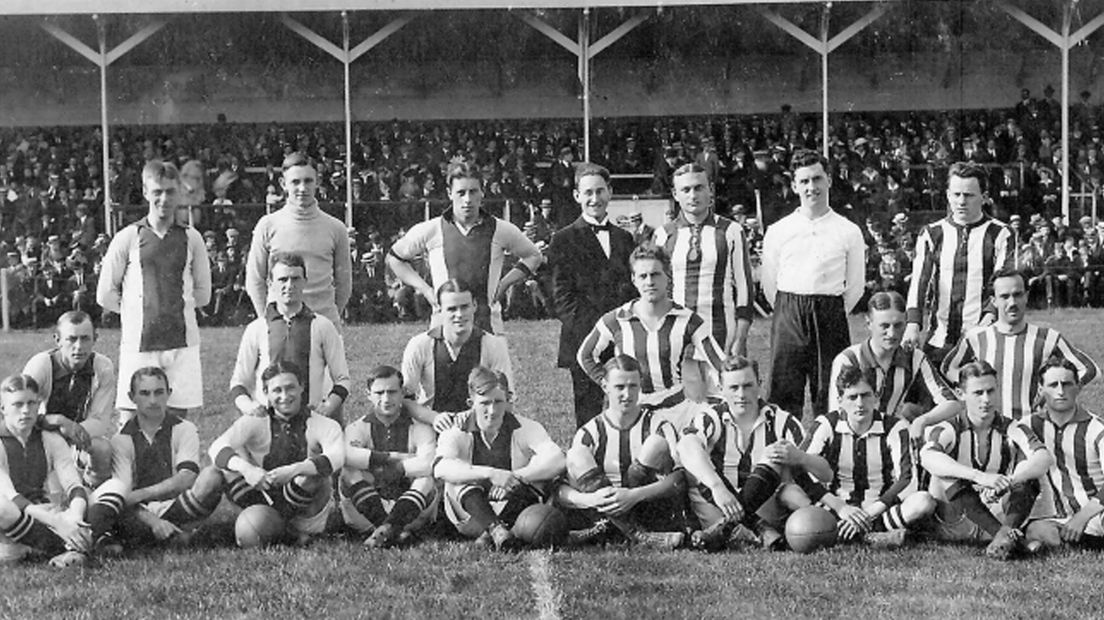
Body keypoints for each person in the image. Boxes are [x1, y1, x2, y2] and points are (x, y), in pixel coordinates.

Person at [677, 356, 831, 550]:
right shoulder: (710, 418)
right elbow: (685, 446)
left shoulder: (782, 421)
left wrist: (801, 457)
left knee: (774, 455)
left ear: (759, 385)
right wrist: (717, 487)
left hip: (764, 508)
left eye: (748, 386)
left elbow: (825, 473)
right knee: (693, 447)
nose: (741, 394)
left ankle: (727, 529)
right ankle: (759, 529)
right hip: (718, 504)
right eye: (733, 388)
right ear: (720, 388)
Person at [96, 160, 211, 418]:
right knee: (130, 422)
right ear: (146, 192)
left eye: (170, 191)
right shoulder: (128, 236)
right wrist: (137, 311)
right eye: (157, 191)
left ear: (180, 193)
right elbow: (105, 293)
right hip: (139, 343)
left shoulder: (192, 237)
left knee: (177, 423)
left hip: (182, 343)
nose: (164, 198)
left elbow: (203, 294)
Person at [761, 149, 866, 419]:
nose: (812, 187)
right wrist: (790, 309)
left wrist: (829, 309)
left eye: (817, 179)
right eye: (805, 181)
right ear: (794, 185)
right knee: (783, 391)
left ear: (829, 180)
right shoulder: (779, 230)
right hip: (788, 312)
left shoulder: (848, 230)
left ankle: (828, 452)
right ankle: (783, 453)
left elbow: (855, 286)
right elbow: (770, 283)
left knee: (831, 390)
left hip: (830, 313)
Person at [386, 161, 543, 334]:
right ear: (449, 193)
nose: (467, 199)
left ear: (482, 192)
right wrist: (425, 289)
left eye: (473, 192)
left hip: (489, 328)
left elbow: (534, 256)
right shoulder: (433, 229)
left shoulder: (500, 229)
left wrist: (504, 283)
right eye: (461, 192)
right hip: (443, 329)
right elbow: (395, 258)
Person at [577, 244, 725, 426]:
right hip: (632, 412)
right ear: (634, 280)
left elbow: (720, 363)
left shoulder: (688, 320)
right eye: (643, 276)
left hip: (676, 412)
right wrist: (610, 384)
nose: (649, 282)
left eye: (655, 274)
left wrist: (723, 397)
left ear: (667, 276)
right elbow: (585, 355)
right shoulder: (617, 319)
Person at [920, 361, 1053, 559]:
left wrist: (1010, 481)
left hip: (992, 511)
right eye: (978, 393)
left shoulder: (1011, 427)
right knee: (944, 473)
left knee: (1028, 470)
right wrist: (979, 477)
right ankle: (1010, 538)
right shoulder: (949, 428)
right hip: (955, 520)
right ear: (960, 394)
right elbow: (927, 457)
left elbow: (1043, 457)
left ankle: (1002, 536)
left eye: (991, 391)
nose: (986, 400)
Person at [85, 368, 225, 552]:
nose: (153, 400)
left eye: (159, 392)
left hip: (176, 505)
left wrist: (143, 494)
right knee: (119, 507)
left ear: (169, 394)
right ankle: (178, 536)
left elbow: (187, 477)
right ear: (132, 397)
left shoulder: (184, 428)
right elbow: (124, 495)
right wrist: (154, 521)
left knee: (212, 476)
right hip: (141, 514)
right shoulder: (121, 439)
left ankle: (172, 534)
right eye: (144, 393)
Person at [556, 355, 687, 549]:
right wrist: (590, 499)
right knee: (577, 455)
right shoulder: (589, 432)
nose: (627, 394)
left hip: (646, 506)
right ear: (604, 386)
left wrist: (635, 495)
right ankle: (636, 534)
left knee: (655, 444)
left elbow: (679, 480)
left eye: (633, 386)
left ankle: (618, 530)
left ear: (640, 385)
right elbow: (561, 491)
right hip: (602, 510)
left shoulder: (658, 424)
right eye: (619, 387)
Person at [209, 361, 345, 544]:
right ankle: (274, 528)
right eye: (277, 391)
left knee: (311, 474)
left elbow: (336, 458)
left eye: (290, 388)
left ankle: (285, 529)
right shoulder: (255, 420)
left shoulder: (324, 424)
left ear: (302, 387)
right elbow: (216, 447)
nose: (285, 396)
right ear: (265, 393)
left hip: (304, 512)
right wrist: (246, 469)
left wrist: (294, 470)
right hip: (263, 499)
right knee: (222, 468)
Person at [940, 269, 1099, 421]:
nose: (1012, 302)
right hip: (987, 427)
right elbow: (948, 368)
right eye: (1005, 297)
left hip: (1032, 427)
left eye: (1017, 295)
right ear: (993, 301)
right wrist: (972, 390)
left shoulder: (1048, 337)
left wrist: (1054, 391)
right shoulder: (976, 337)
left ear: (1026, 296)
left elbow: (1088, 369)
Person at [803, 367, 937, 548]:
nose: (860, 403)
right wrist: (839, 507)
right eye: (852, 397)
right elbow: (802, 469)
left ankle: (851, 534)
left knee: (923, 501)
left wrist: (869, 513)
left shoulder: (895, 427)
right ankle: (874, 537)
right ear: (840, 401)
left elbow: (907, 479)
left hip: (880, 508)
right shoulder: (827, 424)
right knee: (794, 497)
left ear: (876, 397)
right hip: (837, 509)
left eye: (865, 395)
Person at [434, 367, 565, 550]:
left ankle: (494, 535)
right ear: (470, 402)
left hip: (514, 512)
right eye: (485, 403)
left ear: (508, 400)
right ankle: (494, 529)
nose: (492, 410)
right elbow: (441, 468)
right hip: (470, 516)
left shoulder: (526, 427)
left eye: (498, 402)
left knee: (538, 473)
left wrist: (515, 477)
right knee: (457, 477)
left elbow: (557, 458)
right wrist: (490, 474)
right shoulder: (456, 428)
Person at [548, 163, 636, 427]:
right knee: (588, 413)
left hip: (623, 338)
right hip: (584, 338)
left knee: (626, 405)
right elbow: (561, 298)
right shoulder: (562, 239)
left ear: (609, 192)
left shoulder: (624, 238)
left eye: (600, 191)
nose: (594, 199)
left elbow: (631, 290)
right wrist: (597, 333)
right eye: (588, 193)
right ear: (577, 196)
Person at [903, 162, 1015, 364]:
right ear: (947, 195)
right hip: (939, 342)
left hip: (985, 340)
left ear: (984, 196)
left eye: (969, 195)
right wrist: (913, 323)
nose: (961, 201)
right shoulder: (931, 233)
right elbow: (919, 283)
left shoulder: (1001, 234)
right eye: (956, 195)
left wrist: (989, 318)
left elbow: (1004, 285)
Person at [229, 253, 350, 422]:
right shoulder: (256, 328)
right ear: (270, 284)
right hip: (267, 423)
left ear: (305, 281)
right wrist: (250, 408)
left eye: (295, 279)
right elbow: (238, 381)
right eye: (283, 279)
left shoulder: (322, 326)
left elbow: (342, 379)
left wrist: (328, 407)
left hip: (311, 421)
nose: (289, 285)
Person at [655, 163, 755, 357]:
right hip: (676, 334)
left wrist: (740, 338)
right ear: (675, 194)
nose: (693, 195)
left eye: (699, 188)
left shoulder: (731, 231)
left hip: (720, 333)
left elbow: (744, 287)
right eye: (686, 189)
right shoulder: (663, 234)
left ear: (711, 190)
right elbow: (659, 288)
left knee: (720, 387)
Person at [245, 152, 352, 326]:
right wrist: (267, 320)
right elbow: (255, 279)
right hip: (280, 327)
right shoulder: (267, 225)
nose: (303, 188)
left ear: (317, 181)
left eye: (308, 181)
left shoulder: (336, 228)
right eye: (295, 182)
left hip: (325, 325)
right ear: (283, 184)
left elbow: (344, 284)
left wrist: (327, 320)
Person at [340, 366, 437, 548]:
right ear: (368, 394)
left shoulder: (421, 428)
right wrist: (390, 457)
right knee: (349, 471)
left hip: (411, 511)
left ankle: (385, 530)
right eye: (379, 392)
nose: (386, 399)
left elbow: (428, 463)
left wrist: (395, 469)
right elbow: (347, 456)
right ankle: (393, 530)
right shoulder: (357, 428)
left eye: (392, 392)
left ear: (403, 394)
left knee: (426, 478)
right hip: (366, 511)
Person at [0, 374, 91, 567]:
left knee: (88, 498)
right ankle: (65, 547)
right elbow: (10, 495)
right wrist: (58, 522)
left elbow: (74, 484)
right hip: (12, 512)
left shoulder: (50, 439)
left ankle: (41, 547)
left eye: (31, 403)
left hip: (37, 512)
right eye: (17, 404)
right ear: (3, 409)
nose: (26, 411)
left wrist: (73, 518)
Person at [829, 292, 958, 424]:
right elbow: (836, 415)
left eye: (898, 325)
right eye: (884, 326)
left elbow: (951, 402)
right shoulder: (849, 360)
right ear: (869, 323)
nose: (892, 334)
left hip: (891, 435)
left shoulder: (914, 358)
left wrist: (923, 421)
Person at [21, 310, 115, 483]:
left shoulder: (103, 367)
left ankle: (96, 491)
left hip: (80, 436)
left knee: (102, 449)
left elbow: (100, 421)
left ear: (95, 338)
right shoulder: (41, 365)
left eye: (85, 338)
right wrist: (57, 421)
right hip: (40, 434)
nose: (79, 347)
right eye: (71, 339)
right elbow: (20, 413)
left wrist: (72, 429)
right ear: (57, 340)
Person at [1021, 357, 1104, 551]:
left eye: (1067, 384)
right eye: (1053, 385)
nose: (1060, 391)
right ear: (1041, 390)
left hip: (1098, 511)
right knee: (1036, 529)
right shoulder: (1029, 426)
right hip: (1061, 517)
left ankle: (1071, 544)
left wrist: (1082, 517)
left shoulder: (1097, 430)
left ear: (1078, 387)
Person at [401, 279, 513, 420]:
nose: (459, 315)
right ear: (440, 310)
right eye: (452, 309)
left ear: (475, 306)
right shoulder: (420, 344)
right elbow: (404, 398)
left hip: (479, 423)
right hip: (430, 423)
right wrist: (434, 418)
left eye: (465, 307)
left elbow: (506, 400)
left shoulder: (493, 345)